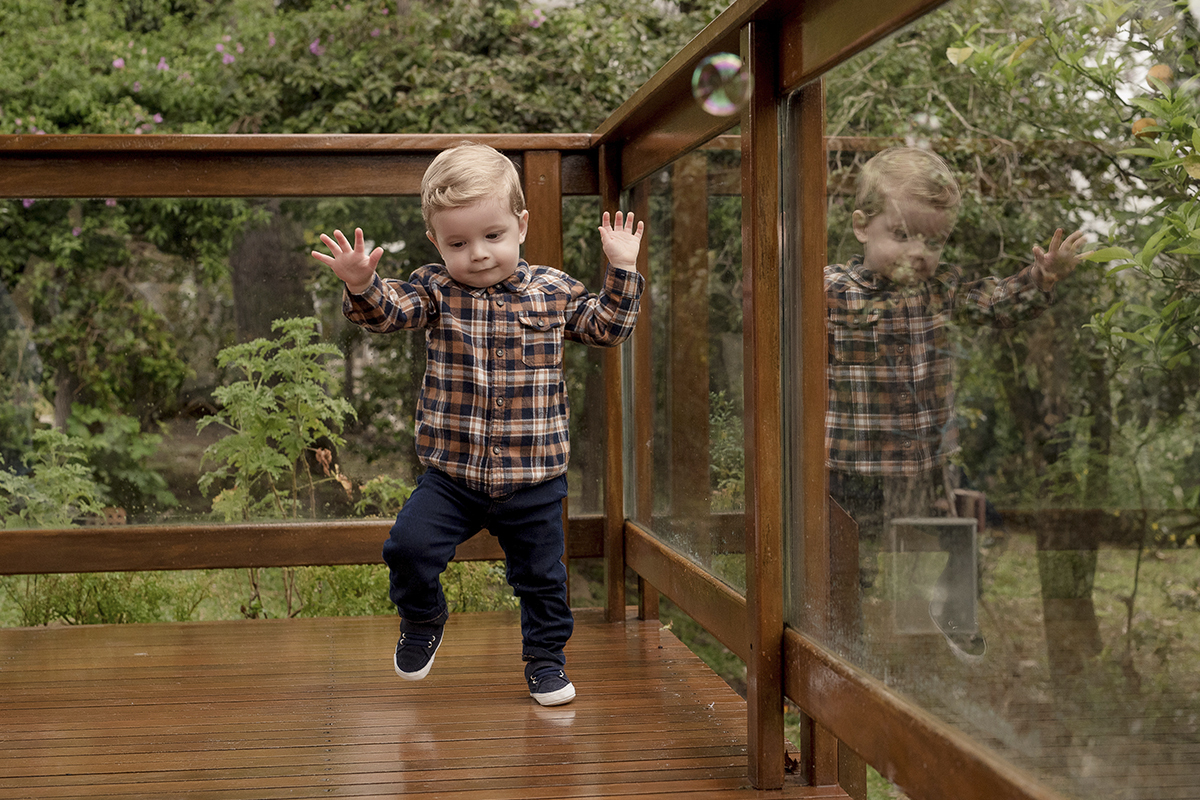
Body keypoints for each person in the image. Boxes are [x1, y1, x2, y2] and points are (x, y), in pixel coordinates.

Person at [311, 142, 645, 706]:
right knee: (407, 548)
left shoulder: (554, 291)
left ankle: (545, 660)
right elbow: (387, 314)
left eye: (493, 236)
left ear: (521, 225)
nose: (479, 254)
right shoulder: (435, 290)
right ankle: (423, 616)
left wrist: (622, 268)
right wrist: (359, 284)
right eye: (458, 243)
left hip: (534, 478)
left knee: (541, 580)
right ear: (436, 244)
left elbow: (608, 328)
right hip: (454, 476)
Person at [825, 146, 1084, 663]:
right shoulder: (830, 290)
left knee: (953, 543)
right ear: (861, 227)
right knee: (845, 564)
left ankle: (946, 619)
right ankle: (840, 647)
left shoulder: (938, 291)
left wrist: (1041, 277)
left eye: (933, 239)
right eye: (901, 235)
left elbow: (993, 301)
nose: (918, 252)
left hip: (920, 468)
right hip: (847, 467)